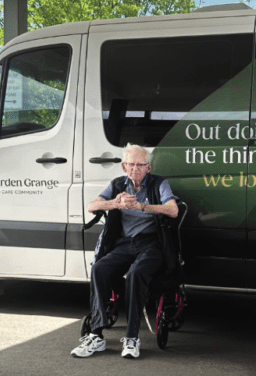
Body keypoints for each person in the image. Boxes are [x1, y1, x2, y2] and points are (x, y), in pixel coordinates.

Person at [70, 143, 179, 359]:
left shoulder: (159, 183)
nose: (135, 169)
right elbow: (92, 206)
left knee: (136, 274)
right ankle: (96, 334)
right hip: (125, 243)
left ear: (148, 167)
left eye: (140, 165)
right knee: (99, 268)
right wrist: (115, 203)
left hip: (151, 244)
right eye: (131, 164)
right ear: (123, 167)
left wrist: (142, 207)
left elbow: (173, 210)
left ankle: (131, 338)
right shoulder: (118, 184)